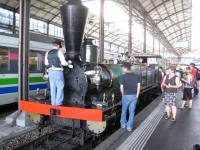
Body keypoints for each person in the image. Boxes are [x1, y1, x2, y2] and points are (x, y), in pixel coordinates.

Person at [45, 39, 73, 106]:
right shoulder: (59, 52)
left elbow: (46, 63)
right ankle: (58, 103)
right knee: (60, 87)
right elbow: (63, 63)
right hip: (58, 72)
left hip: (50, 72)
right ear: (58, 45)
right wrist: (68, 64)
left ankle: (53, 103)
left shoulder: (47, 52)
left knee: (52, 88)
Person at [119, 62, 141, 131]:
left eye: (122, 68)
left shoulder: (123, 76)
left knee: (124, 110)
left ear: (125, 68)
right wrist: (137, 95)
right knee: (132, 112)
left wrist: (123, 95)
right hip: (134, 96)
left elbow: (121, 87)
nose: (122, 69)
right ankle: (129, 127)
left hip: (125, 95)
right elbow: (138, 87)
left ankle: (123, 124)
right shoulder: (136, 76)